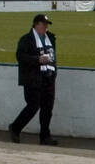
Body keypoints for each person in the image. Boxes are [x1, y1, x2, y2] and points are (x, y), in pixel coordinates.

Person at [8, 14, 60, 146]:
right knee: (33, 106)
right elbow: (20, 57)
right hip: (33, 78)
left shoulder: (51, 38)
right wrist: (37, 60)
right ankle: (15, 127)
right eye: (43, 24)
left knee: (47, 108)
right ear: (36, 25)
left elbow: (53, 56)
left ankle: (45, 136)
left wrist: (54, 72)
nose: (46, 27)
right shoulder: (26, 39)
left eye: (46, 25)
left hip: (48, 77)